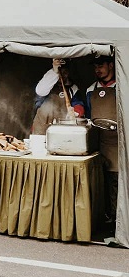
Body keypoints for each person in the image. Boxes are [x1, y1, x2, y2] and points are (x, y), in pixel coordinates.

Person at [86, 54, 117, 229]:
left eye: (101, 65)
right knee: (100, 181)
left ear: (111, 65)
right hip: (98, 143)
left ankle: (116, 219)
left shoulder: (122, 87)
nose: (97, 69)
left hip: (117, 143)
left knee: (116, 180)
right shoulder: (91, 90)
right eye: (95, 66)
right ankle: (103, 217)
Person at [32, 58, 85, 135]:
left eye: (65, 72)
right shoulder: (47, 83)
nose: (62, 75)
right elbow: (40, 91)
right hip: (41, 129)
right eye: (60, 71)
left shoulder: (72, 88)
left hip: (62, 130)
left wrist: (75, 112)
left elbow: (78, 105)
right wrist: (55, 71)